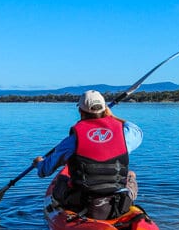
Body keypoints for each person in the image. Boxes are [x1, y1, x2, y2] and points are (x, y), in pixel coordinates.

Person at [33, 89, 143, 220]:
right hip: (118, 204)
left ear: (80, 111)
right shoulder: (124, 135)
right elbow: (137, 130)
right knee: (130, 175)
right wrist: (112, 117)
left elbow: (45, 171)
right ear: (105, 110)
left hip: (83, 204)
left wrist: (38, 163)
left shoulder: (71, 141)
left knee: (61, 180)